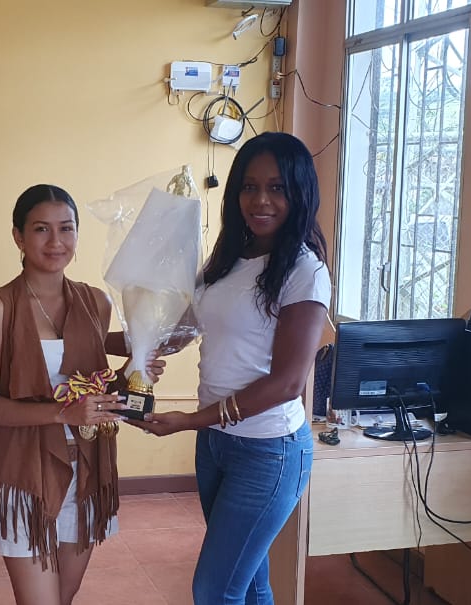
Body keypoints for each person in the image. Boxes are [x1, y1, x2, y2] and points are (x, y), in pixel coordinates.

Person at [134, 132, 331, 605]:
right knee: (249, 584)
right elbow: (178, 334)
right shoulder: (226, 261)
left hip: (268, 451)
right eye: (249, 186)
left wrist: (190, 420)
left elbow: (286, 384)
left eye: (277, 188)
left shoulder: (304, 271)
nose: (260, 200)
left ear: (300, 194)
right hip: (216, 446)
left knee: (214, 590)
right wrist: (91, 332)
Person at [0, 184, 163, 605]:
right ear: (18, 236)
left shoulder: (96, 302)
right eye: (41, 229)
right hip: (25, 473)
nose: (56, 241)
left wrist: (134, 376)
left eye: (66, 228)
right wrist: (61, 414)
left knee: (64, 596)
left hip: (88, 471)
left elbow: (97, 391)